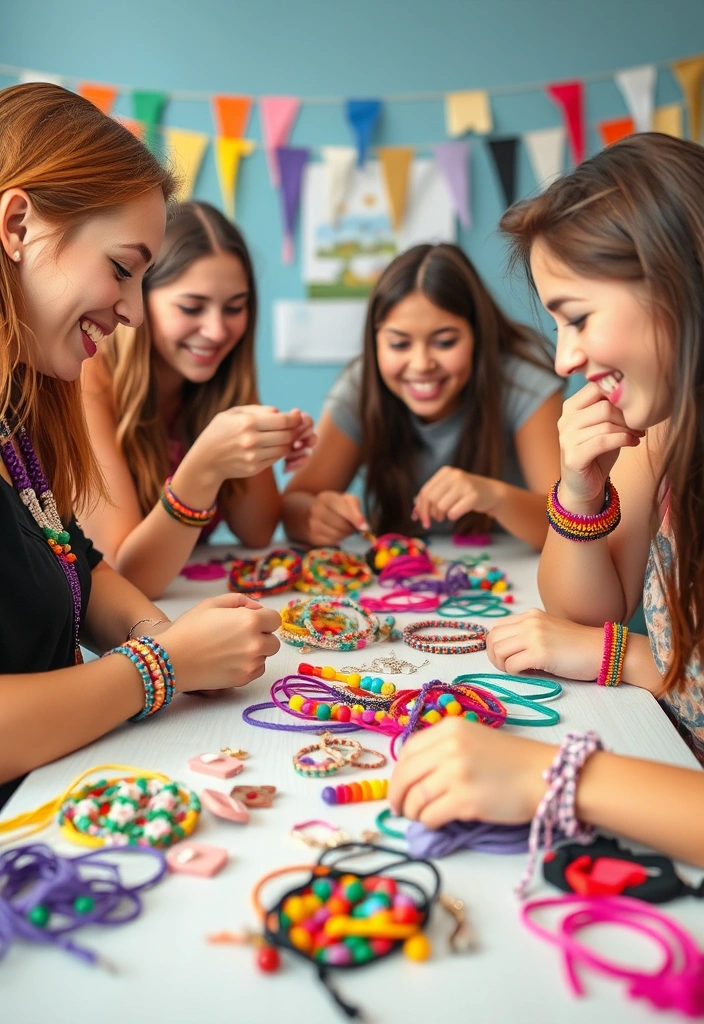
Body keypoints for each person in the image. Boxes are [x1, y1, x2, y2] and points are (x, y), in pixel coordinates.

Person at [389, 134, 704, 869]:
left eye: (578, 318)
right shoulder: (661, 433)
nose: (564, 359)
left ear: (677, 285)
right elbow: (581, 611)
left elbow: (601, 640)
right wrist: (579, 487)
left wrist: (558, 773)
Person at [0, 84, 280, 808]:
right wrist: (162, 663)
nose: (129, 312)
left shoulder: (18, 418)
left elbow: (72, 560)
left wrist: (165, 632)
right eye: (123, 269)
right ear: (17, 224)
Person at [81, 201, 315, 598]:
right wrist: (205, 467)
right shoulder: (88, 379)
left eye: (235, 307)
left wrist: (264, 445)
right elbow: (128, 576)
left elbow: (256, 531)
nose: (216, 330)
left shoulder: (220, 379)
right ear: (140, 299)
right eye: (192, 307)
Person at [283, 243, 563, 550]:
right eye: (399, 345)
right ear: (375, 342)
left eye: (445, 342)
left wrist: (493, 497)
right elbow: (293, 505)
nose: (421, 365)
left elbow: (566, 525)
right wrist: (314, 516)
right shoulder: (361, 387)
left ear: (478, 337)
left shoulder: (523, 384)